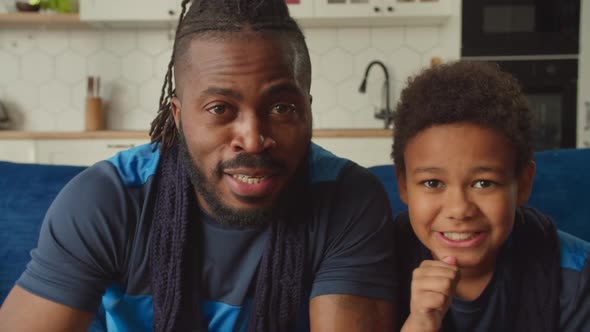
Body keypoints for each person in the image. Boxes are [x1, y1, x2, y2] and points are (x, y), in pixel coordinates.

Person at [0, 1, 396, 331]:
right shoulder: (109, 200)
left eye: (281, 107)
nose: (253, 138)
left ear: (309, 108)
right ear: (177, 116)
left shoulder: (348, 200)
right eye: (220, 108)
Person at [392, 60, 590, 332]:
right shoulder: (373, 264)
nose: (459, 209)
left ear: (522, 184)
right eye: (433, 182)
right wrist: (420, 324)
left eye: (484, 183)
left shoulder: (575, 275)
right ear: (403, 185)